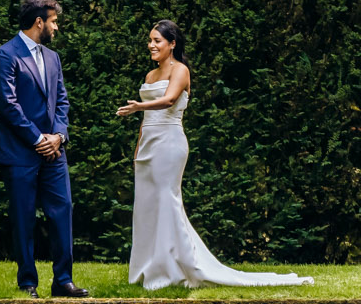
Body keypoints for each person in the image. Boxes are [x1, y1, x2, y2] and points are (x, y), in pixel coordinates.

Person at [118, 20, 316, 290]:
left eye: (157, 41)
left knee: (167, 200)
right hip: (148, 146)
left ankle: (178, 267)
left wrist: (139, 105)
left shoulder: (181, 70)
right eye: (150, 40)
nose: (151, 45)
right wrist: (138, 147)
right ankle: (151, 267)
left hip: (169, 143)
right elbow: (148, 118)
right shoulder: (151, 76)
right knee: (147, 205)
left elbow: (169, 100)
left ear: (172, 43)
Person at [0, 0, 91, 299]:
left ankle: (63, 281)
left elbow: (62, 101)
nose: (56, 27)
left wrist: (59, 136)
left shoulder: (52, 58)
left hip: (55, 153)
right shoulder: (4, 56)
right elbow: (8, 106)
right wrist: (37, 139)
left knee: (62, 212)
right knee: (23, 219)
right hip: (20, 152)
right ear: (39, 22)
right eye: (54, 21)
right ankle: (28, 283)